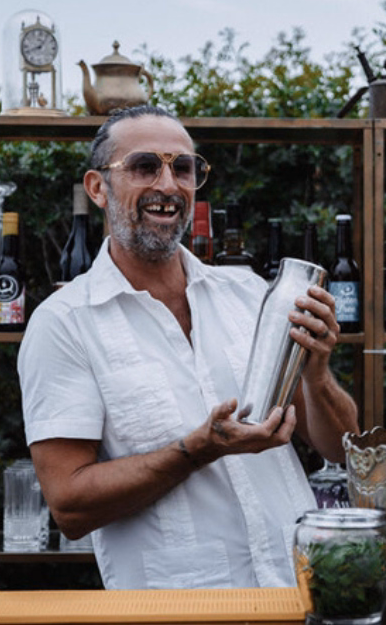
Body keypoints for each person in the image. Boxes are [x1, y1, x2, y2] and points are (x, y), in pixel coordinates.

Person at [18, 105, 359, 590]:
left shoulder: (248, 294)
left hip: (296, 593)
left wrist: (317, 374)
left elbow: (342, 446)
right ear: (98, 188)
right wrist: (198, 450)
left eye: (183, 167)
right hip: (177, 608)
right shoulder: (65, 323)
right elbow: (70, 505)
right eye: (143, 166)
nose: (168, 184)